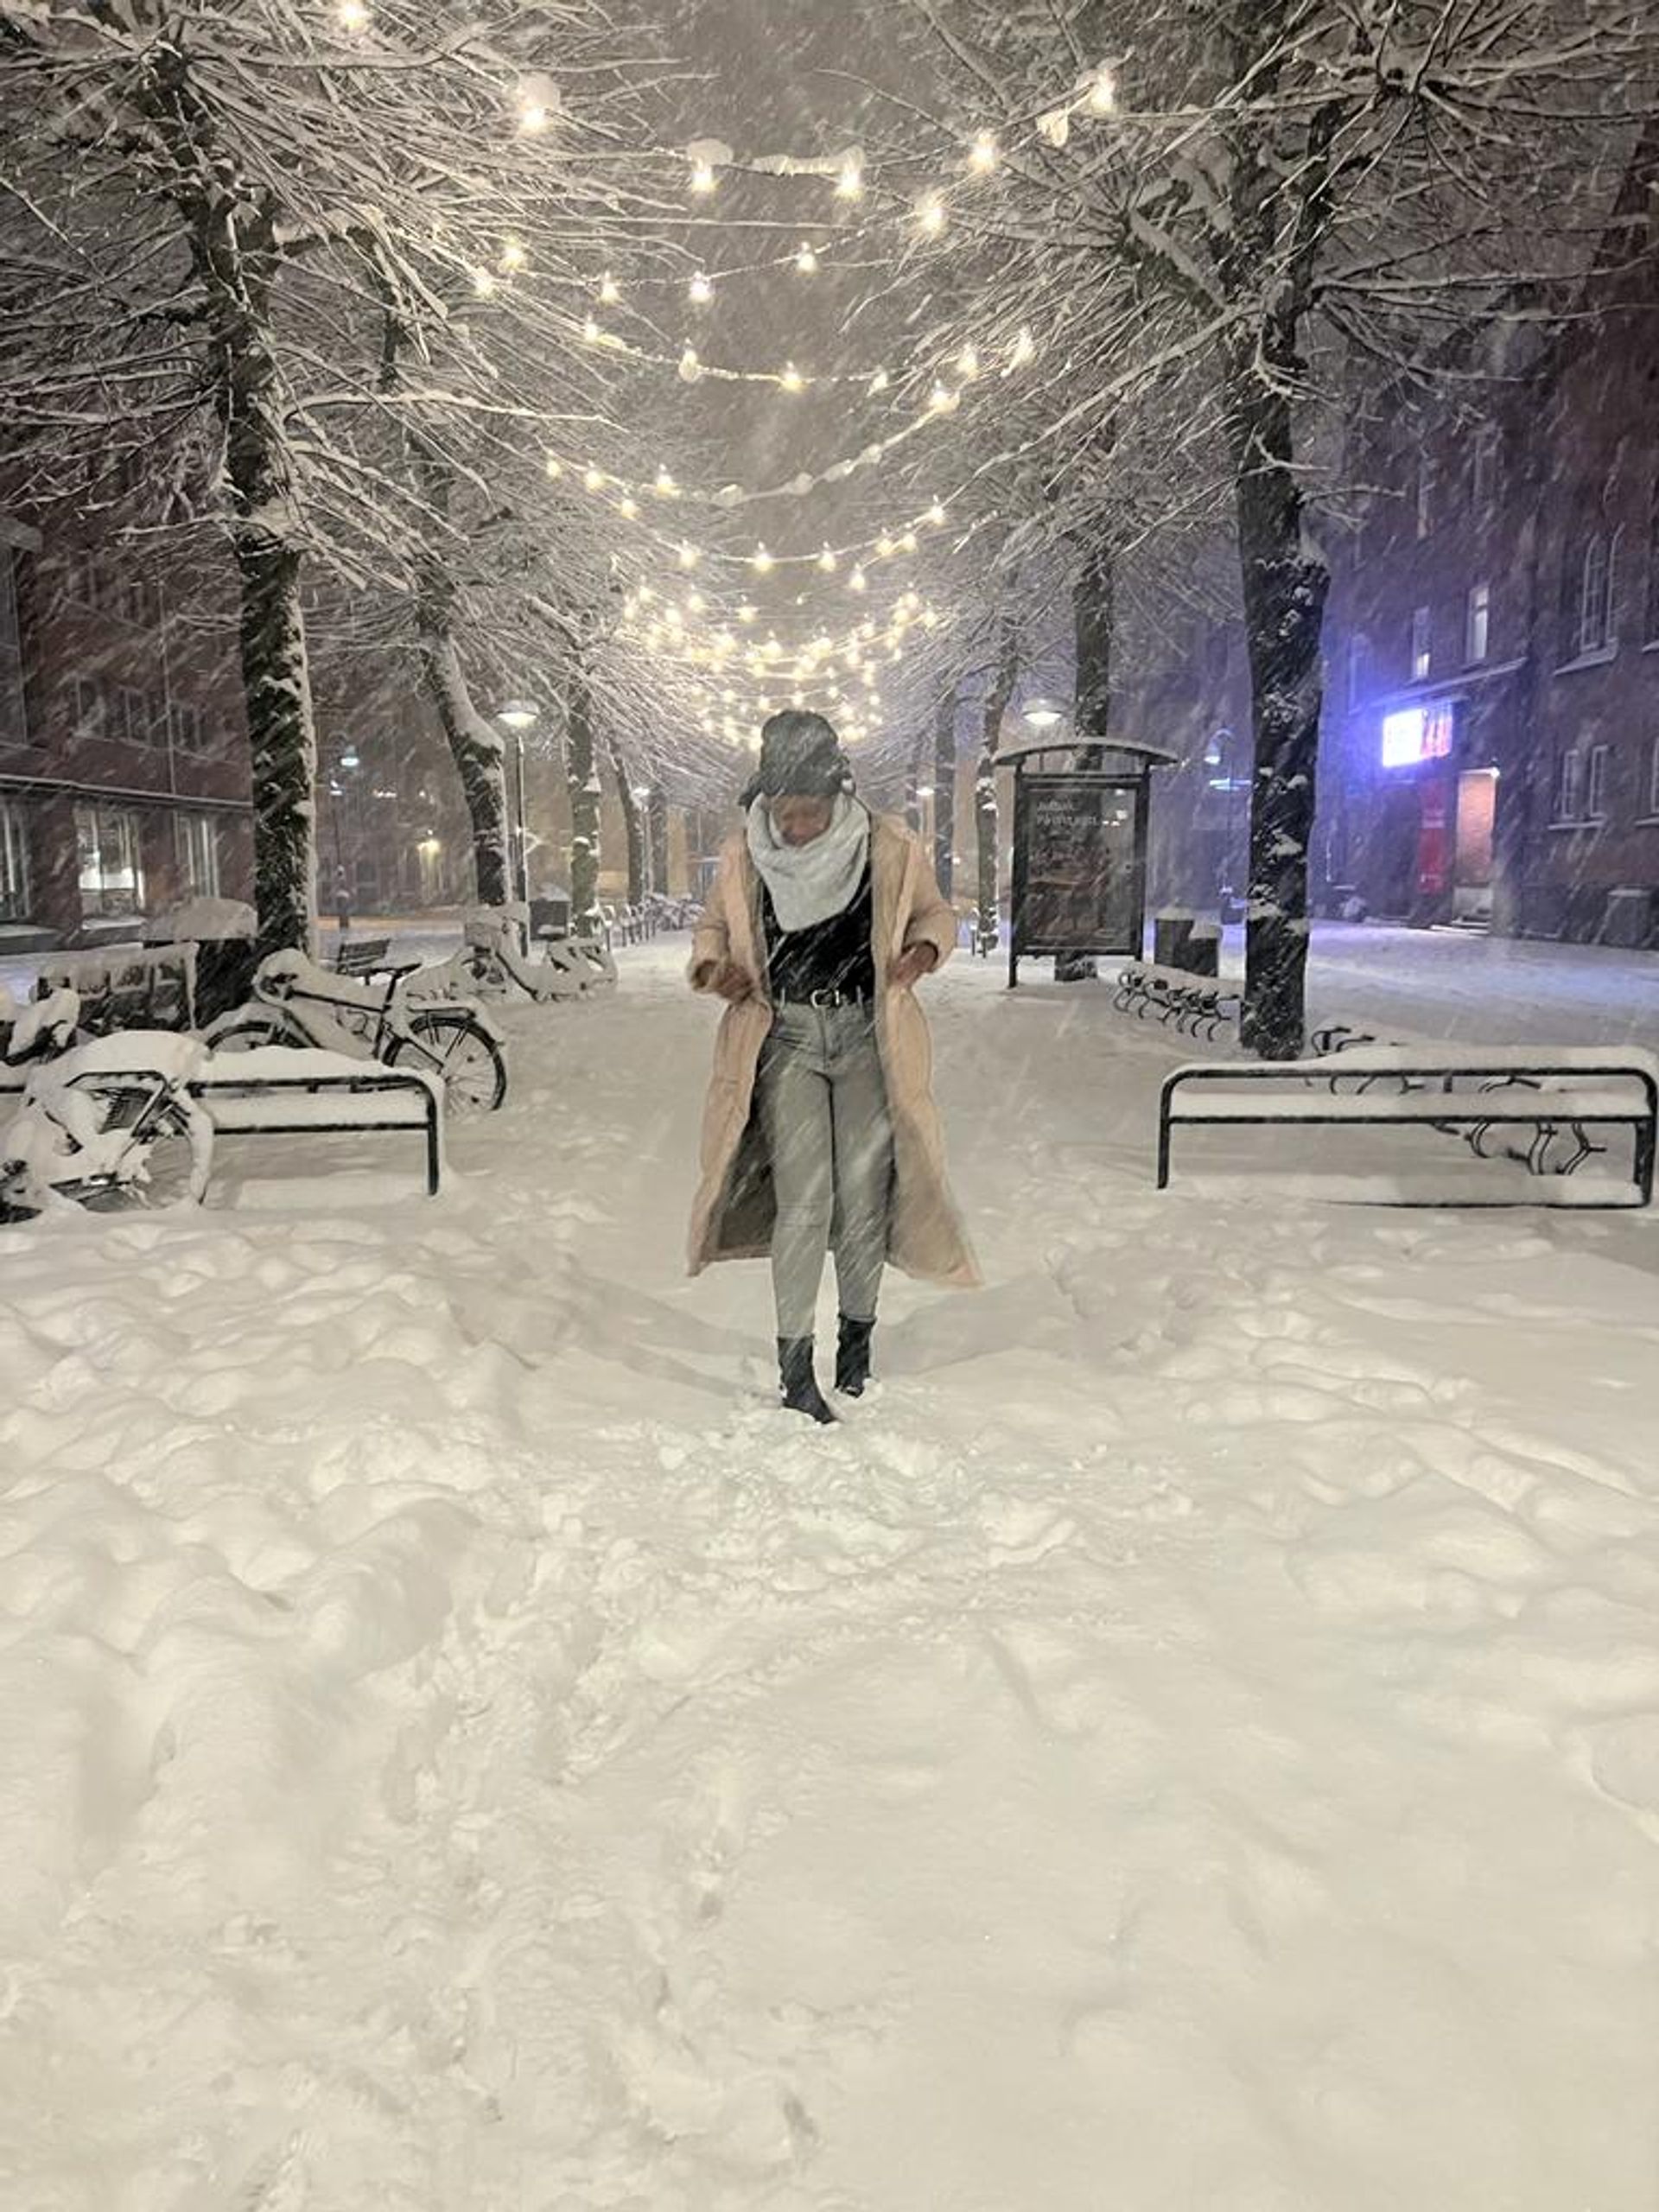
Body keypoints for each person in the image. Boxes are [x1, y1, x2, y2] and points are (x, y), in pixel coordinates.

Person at [687, 709, 978, 1422]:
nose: (799, 828)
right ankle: (796, 1368)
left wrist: (924, 951)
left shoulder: (887, 846)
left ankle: (856, 1347)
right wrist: (714, 966)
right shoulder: (745, 853)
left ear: (836, 796)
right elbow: (713, 928)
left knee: (861, 1202)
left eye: (811, 812)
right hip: (784, 1037)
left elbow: (936, 915)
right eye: (786, 814)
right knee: (804, 1202)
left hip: (865, 1037)